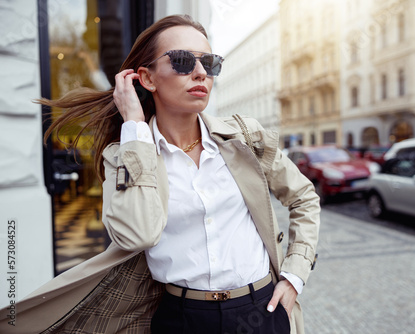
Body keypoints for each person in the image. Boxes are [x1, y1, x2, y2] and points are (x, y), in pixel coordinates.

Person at [0, 14, 320, 334]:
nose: (199, 73)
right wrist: (135, 129)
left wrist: (293, 276)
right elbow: (138, 235)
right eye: (182, 61)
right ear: (148, 79)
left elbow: (304, 197)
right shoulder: (126, 156)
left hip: (261, 311)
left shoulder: (245, 137)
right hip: (182, 319)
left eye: (209, 63)